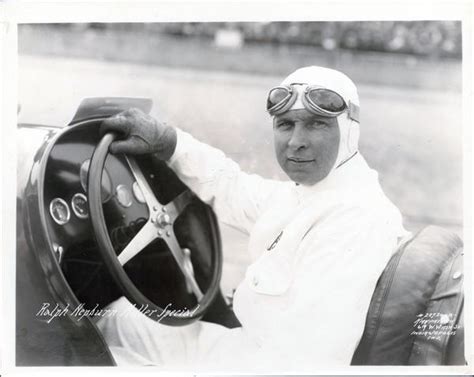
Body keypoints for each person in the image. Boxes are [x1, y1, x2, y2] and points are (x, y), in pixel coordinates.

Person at [96, 66, 409, 371]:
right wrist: (167, 142)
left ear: (349, 131)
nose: (296, 141)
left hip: (262, 364)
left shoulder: (355, 220)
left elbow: (304, 364)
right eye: (285, 124)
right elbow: (233, 187)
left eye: (317, 124)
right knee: (115, 319)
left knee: (97, 356)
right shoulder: (317, 192)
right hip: (246, 349)